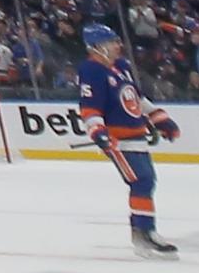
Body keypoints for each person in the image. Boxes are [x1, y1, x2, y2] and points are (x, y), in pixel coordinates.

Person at [77, 22, 182, 257]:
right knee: (141, 180)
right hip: (118, 140)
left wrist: (158, 118)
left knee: (147, 181)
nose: (117, 45)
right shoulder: (91, 70)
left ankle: (144, 232)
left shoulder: (121, 66)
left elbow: (136, 98)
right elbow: (90, 108)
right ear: (97, 47)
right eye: (112, 42)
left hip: (136, 136)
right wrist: (98, 133)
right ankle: (144, 233)